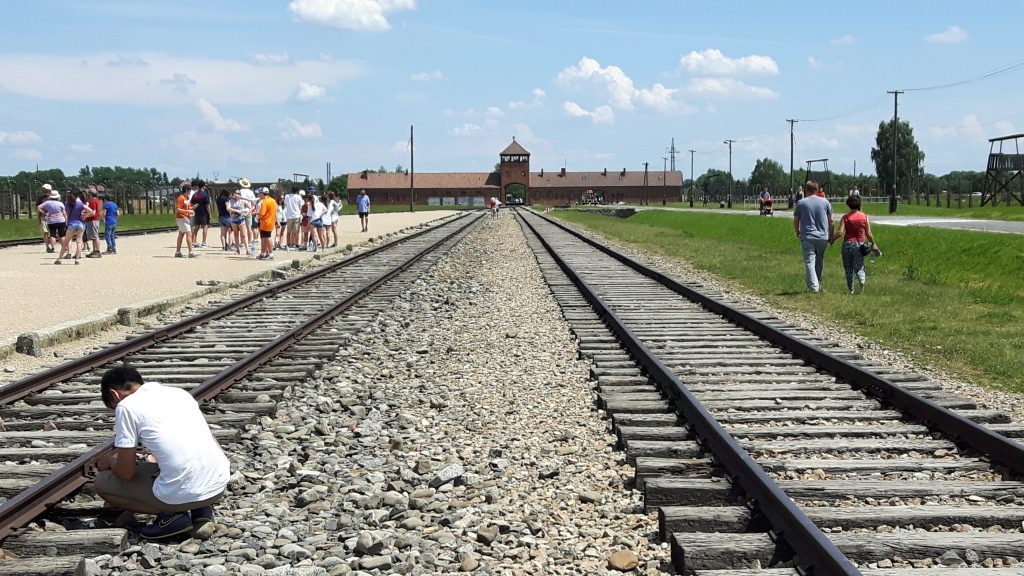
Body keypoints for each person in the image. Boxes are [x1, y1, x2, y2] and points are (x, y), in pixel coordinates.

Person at [93, 367, 230, 540]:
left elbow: (125, 473)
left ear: (114, 395)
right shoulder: (179, 393)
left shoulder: (126, 406)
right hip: (216, 486)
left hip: (185, 494)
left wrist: (110, 462)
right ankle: (200, 510)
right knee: (154, 466)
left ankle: (171, 516)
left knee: (102, 483)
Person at [830, 194, 878, 294]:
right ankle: (861, 279)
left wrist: (831, 239)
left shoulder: (845, 217)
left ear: (848, 205)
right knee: (859, 265)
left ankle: (851, 289)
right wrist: (873, 243)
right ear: (860, 204)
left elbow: (840, 232)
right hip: (859, 245)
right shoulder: (864, 217)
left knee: (848, 268)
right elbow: (868, 233)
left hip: (847, 244)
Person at [792, 181, 834, 293]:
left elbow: (796, 220)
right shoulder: (825, 202)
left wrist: (797, 231)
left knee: (810, 261)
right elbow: (831, 221)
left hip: (808, 235)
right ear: (817, 189)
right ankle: (818, 283)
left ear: (806, 190)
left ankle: (814, 287)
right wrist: (831, 235)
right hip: (822, 236)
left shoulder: (801, 203)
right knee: (819, 260)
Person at [59, 189, 88, 264]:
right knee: (78, 242)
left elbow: (66, 214)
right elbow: (91, 211)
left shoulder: (67, 204)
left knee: (66, 242)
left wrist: (66, 223)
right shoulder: (80, 204)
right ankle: (77, 259)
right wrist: (84, 216)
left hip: (72, 224)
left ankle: (59, 259)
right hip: (81, 224)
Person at [38, 188, 67, 259]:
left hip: (51, 220)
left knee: (52, 235)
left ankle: (53, 248)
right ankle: (64, 247)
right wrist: (66, 221)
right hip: (61, 220)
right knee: (62, 235)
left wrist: (44, 213)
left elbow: (38, 207)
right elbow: (64, 213)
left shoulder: (47, 203)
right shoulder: (60, 203)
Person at [174, 185, 197, 258]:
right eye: (189, 190)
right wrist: (188, 211)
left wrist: (192, 207)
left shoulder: (186, 198)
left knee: (181, 234)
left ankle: (178, 252)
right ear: (186, 190)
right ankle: (190, 252)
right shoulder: (181, 198)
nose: (190, 192)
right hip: (182, 218)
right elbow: (178, 209)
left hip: (185, 217)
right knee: (189, 234)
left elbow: (187, 207)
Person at [37, 185, 61, 253]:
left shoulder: (53, 198)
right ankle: (47, 247)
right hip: (44, 218)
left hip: (52, 217)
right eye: (44, 189)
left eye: (46, 190)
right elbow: (38, 208)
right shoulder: (41, 199)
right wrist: (40, 217)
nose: (44, 191)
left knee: (54, 232)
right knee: (46, 232)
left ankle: (55, 246)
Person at [255, 188, 278, 260]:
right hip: (271, 221)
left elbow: (262, 213)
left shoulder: (264, 202)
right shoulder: (273, 200)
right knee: (264, 238)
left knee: (267, 237)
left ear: (262, 194)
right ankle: (263, 253)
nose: (258, 195)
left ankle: (270, 254)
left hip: (265, 222)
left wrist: (256, 214)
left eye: (259, 193)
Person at [190, 179, 211, 248]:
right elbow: (207, 206)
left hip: (197, 213)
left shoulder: (195, 194)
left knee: (196, 227)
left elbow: (191, 203)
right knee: (205, 227)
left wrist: (194, 208)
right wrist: (210, 214)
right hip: (204, 213)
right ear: (203, 186)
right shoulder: (205, 194)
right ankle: (204, 242)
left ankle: (193, 241)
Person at [83, 188, 103, 258]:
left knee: (95, 236)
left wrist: (85, 216)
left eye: (88, 193)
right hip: (93, 220)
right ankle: (94, 250)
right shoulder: (96, 201)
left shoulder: (93, 202)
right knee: (93, 236)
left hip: (92, 220)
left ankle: (97, 251)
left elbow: (93, 212)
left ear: (90, 194)